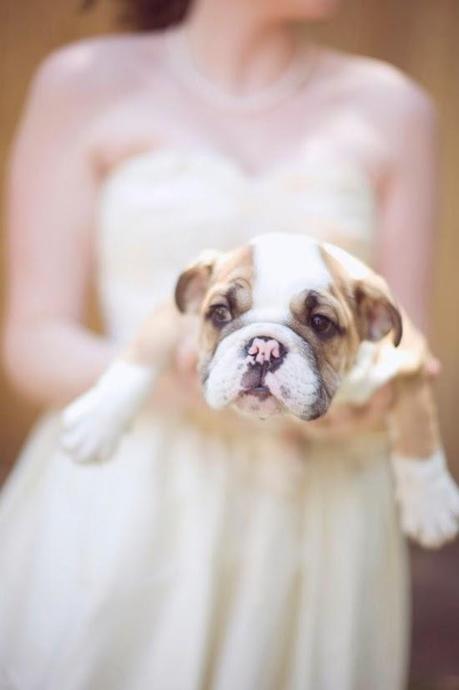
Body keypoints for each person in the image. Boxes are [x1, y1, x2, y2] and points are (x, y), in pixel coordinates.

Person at [0, 1, 439, 688]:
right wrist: (169, 381)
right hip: (126, 493)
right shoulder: (82, 82)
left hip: (319, 510)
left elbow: (406, 341)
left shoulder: (393, 107)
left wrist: (374, 404)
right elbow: (31, 338)